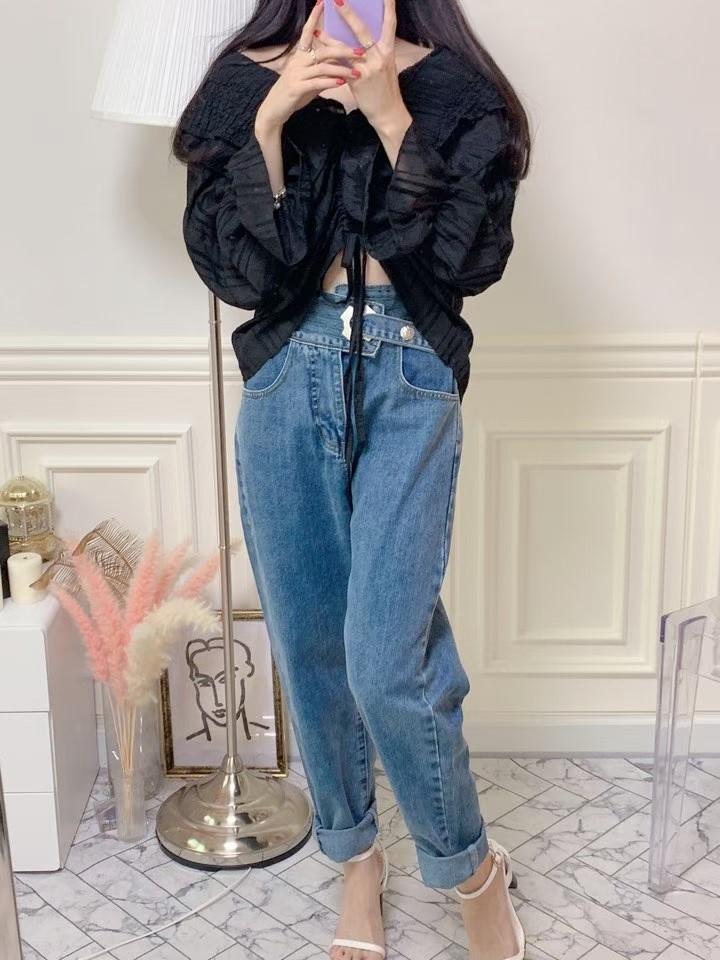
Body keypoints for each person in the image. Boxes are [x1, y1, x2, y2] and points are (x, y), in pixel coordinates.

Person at [172, 0, 531, 957]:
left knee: (386, 660)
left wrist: (389, 114)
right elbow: (242, 275)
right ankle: (358, 865)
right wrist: (269, 121)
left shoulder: (454, 89)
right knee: (310, 648)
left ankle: (470, 870)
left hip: (410, 374)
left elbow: (472, 259)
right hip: (287, 375)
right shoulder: (243, 84)